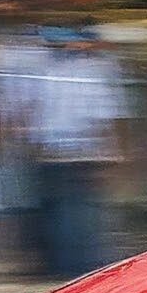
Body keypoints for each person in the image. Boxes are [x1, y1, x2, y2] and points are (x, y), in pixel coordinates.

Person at [22, 27, 129, 278]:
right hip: (82, 152)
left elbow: (32, 110)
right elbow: (102, 116)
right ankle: (77, 268)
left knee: (57, 212)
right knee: (79, 214)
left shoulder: (45, 70)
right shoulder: (93, 72)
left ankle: (58, 266)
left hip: (50, 151)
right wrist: (113, 152)